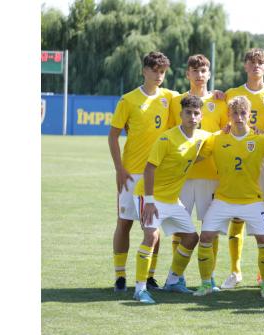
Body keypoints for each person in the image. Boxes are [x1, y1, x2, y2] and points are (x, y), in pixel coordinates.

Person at [193, 96, 264, 299]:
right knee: (205, 236)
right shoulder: (217, 139)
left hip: (252, 200)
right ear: (229, 116)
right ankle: (206, 284)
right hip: (223, 199)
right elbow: (197, 157)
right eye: (235, 114)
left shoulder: (260, 140)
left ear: (249, 115)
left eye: (243, 113)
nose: (239, 118)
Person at [129, 95, 211, 304]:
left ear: (201, 116)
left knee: (192, 238)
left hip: (172, 200)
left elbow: (221, 137)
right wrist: (148, 201)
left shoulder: (202, 137)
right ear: (180, 115)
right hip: (149, 197)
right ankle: (140, 289)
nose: (192, 117)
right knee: (151, 237)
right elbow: (149, 169)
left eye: (196, 113)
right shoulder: (167, 138)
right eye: (188, 113)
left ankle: (173, 281)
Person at [108, 51, 178, 292]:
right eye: (155, 71)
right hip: (131, 173)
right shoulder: (128, 100)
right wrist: (119, 169)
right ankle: (119, 276)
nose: (159, 76)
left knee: (152, 228)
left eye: (162, 72)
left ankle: (148, 276)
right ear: (144, 71)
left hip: (156, 174)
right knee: (124, 222)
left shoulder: (170, 98)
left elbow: (198, 99)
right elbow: (113, 136)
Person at [221, 48, 264, 289]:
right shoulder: (231, 94)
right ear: (245, 66)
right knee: (236, 215)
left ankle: (263, 272)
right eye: (252, 62)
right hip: (238, 160)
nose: (256, 66)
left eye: (260, 63)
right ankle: (235, 271)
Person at [166, 54, 229, 291]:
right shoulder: (176, 101)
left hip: (211, 174)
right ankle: (177, 277)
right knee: (179, 228)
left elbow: (225, 134)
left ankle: (208, 277)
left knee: (210, 229)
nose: (199, 75)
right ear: (187, 74)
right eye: (194, 70)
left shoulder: (219, 101)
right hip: (182, 175)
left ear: (209, 74)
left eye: (203, 71)